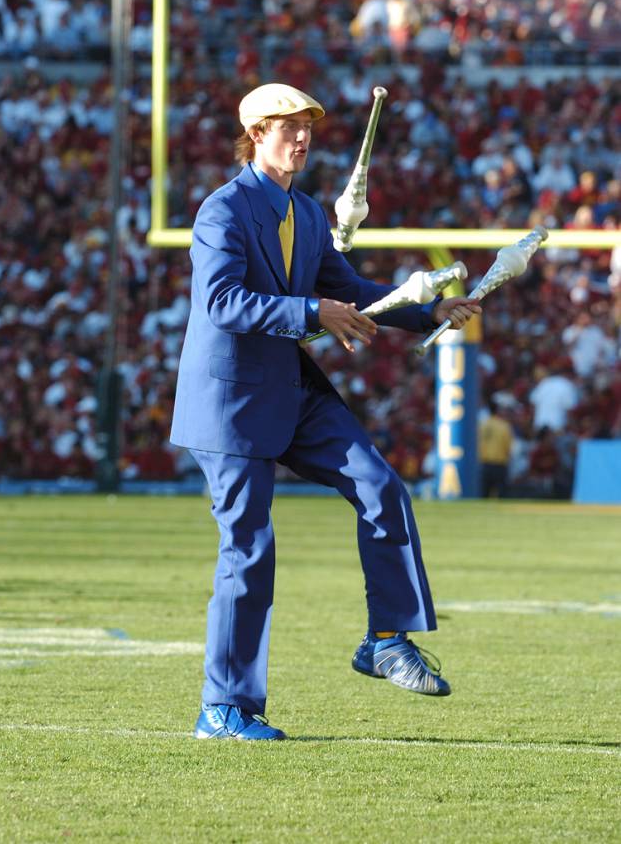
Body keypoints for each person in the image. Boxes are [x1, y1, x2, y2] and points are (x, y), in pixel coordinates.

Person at [170, 82, 481, 740]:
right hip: (228, 402)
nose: (302, 137)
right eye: (288, 127)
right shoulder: (221, 212)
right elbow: (222, 303)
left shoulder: (306, 214)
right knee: (249, 551)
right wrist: (313, 312)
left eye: (307, 126)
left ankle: (387, 639)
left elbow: (353, 291)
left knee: (382, 487)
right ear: (256, 135)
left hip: (287, 387)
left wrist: (430, 313)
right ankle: (224, 710)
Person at [478, 398, 514, 498]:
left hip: (484, 464)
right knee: (502, 495)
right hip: (499, 464)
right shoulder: (504, 426)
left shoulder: (482, 425)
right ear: (498, 410)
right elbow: (508, 447)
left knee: (483, 495)